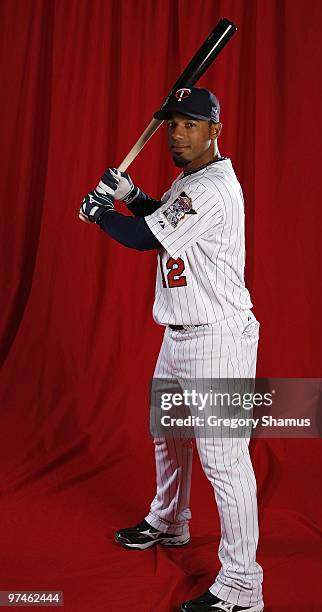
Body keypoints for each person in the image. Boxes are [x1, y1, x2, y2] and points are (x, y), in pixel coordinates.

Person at [79, 87, 264, 612]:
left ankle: (243, 587)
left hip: (219, 339)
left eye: (189, 124)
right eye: (172, 125)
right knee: (168, 438)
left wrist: (101, 214)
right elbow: (166, 216)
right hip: (181, 334)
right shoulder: (193, 180)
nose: (177, 133)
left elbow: (148, 239)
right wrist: (132, 195)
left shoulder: (214, 188)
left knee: (225, 464)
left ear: (214, 131)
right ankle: (169, 521)